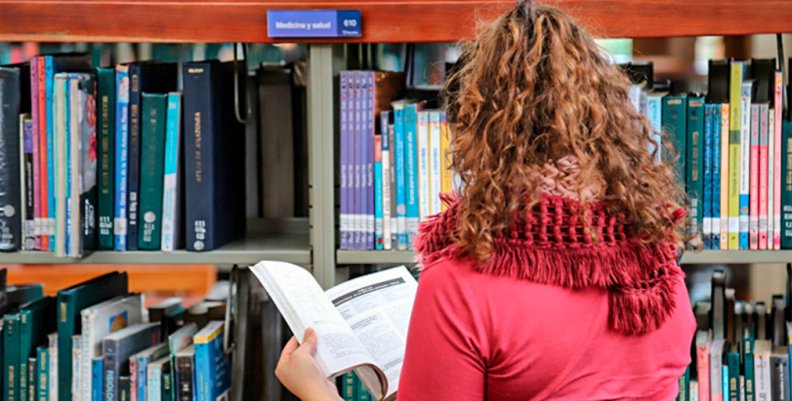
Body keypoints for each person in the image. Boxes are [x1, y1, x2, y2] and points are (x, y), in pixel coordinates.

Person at [276, 1, 696, 400]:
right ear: (609, 117)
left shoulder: (460, 285)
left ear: (481, 126)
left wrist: (315, 389)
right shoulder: (656, 260)